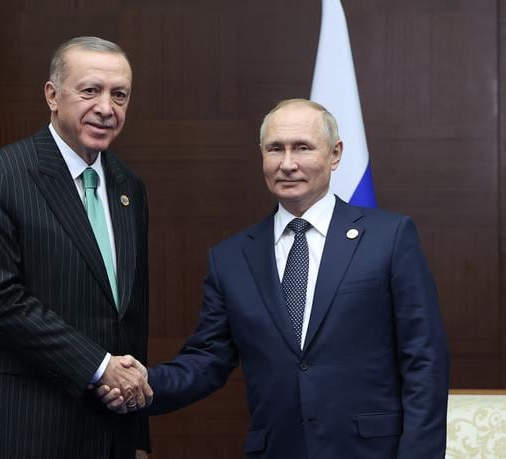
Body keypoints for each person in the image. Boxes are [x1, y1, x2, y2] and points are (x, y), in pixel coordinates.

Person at [99, 99, 450, 458]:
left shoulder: (389, 238)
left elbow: (424, 360)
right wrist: (142, 384)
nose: (287, 164)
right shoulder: (231, 258)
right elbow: (207, 360)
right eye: (275, 149)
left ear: (335, 154)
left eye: (302, 147)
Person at [0, 36, 152, 459]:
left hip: (109, 433)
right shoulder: (1, 174)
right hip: (26, 427)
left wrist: (136, 434)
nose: (106, 107)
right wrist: (101, 367)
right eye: (90, 90)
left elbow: (130, 317)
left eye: (119, 95)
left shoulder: (128, 187)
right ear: (52, 95)